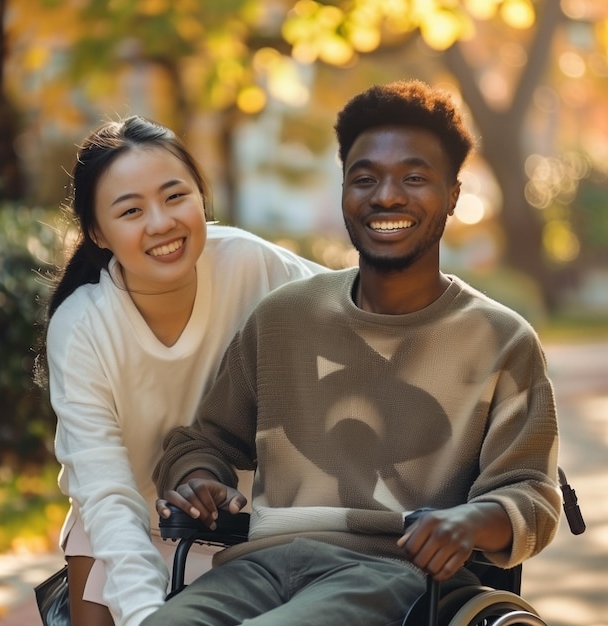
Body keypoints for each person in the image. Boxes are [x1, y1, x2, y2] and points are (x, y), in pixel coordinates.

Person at [144, 80, 562, 626]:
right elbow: (204, 440)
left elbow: (532, 492)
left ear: (454, 195)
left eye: (414, 178)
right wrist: (200, 478)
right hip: (260, 566)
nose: (387, 196)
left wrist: (470, 521)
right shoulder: (284, 317)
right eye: (365, 179)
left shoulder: (501, 340)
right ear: (344, 190)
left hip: (398, 571)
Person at [34, 115, 326, 626]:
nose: (161, 223)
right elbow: (106, 495)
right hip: (121, 526)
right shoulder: (82, 327)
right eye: (130, 210)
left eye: (174, 197)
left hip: (236, 519)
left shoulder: (249, 264)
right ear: (98, 233)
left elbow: (363, 308)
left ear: (200, 197)